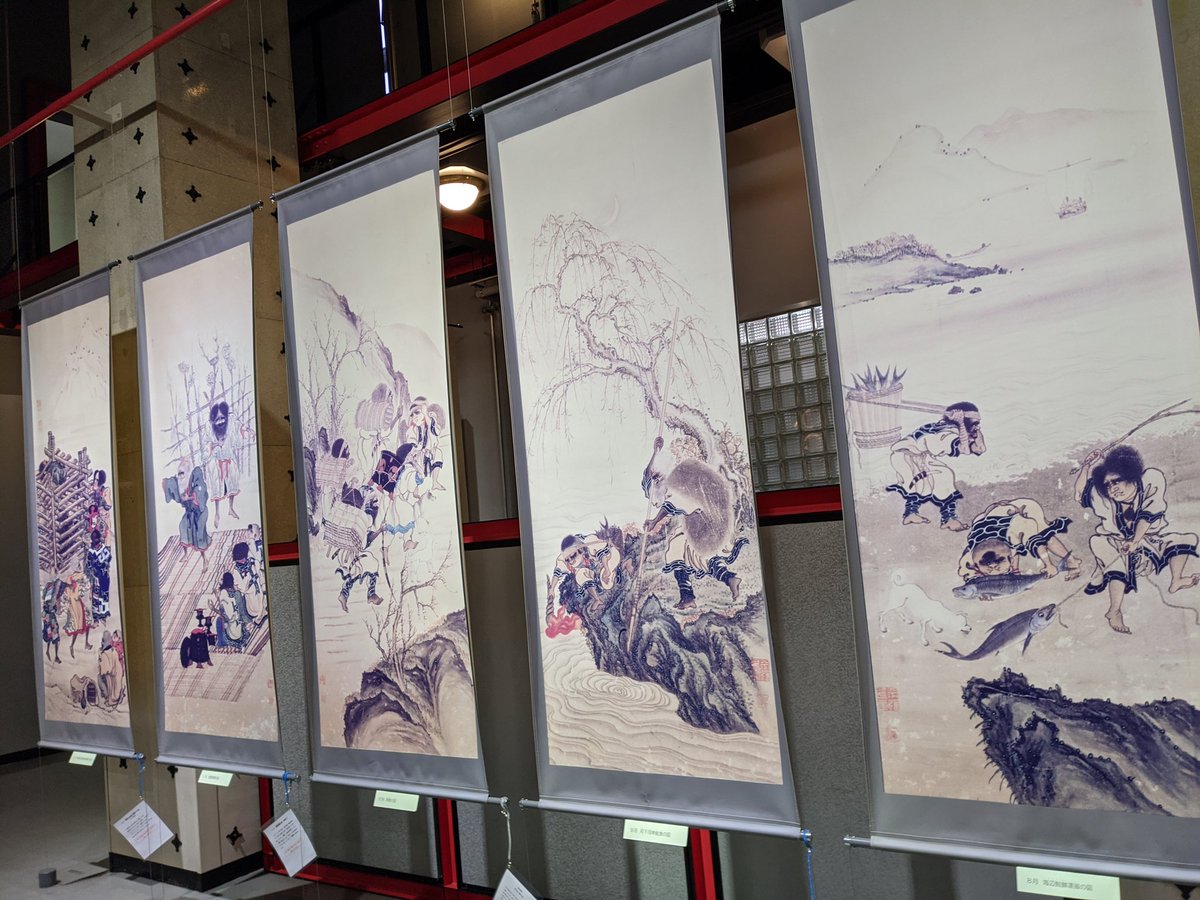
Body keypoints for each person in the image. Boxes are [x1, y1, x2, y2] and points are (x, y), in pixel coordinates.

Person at [1076, 444, 1199, 634]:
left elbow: (1147, 515)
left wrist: (1134, 541)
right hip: (1112, 541)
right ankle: (1114, 610)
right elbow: (1079, 493)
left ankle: (1176, 580)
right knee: (1102, 546)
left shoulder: (1151, 479)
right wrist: (1086, 466)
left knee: (1185, 539)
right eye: (1108, 485)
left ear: (1130, 475)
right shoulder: (1102, 497)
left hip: (1146, 540)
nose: (1112, 488)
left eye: (1116, 481)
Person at [885, 402, 986, 531]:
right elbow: (965, 449)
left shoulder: (953, 430)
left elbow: (980, 449)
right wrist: (961, 423)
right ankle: (910, 514)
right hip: (905, 456)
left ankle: (948, 519)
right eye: (975, 423)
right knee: (919, 484)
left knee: (944, 475)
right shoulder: (948, 432)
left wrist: (975, 429)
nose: (977, 427)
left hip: (921, 456)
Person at [956, 498, 1080, 582]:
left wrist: (1049, 565)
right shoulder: (969, 558)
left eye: (998, 566)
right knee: (1012, 548)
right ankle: (1013, 569)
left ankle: (1072, 560)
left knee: (1044, 535)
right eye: (987, 567)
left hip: (1023, 509)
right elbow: (968, 576)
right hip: (989, 519)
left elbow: (1038, 544)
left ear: (1010, 556)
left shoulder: (1018, 528)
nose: (993, 568)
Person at [163, 460, 210, 565]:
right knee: (183, 527)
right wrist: (165, 483)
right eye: (179, 473)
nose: (180, 476)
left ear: (187, 472)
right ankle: (185, 554)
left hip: (200, 512)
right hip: (189, 512)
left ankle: (204, 559)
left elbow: (201, 491)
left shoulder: (195, 476)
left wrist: (190, 498)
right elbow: (171, 484)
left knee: (199, 535)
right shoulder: (180, 483)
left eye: (182, 473)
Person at [206, 401, 241, 529]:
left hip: (229, 462)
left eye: (222, 418)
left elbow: (237, 444)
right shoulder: (210, 431)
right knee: (217, 489)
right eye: (217, 419)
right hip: (217, 465)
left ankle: (231, 508)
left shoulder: (230, 429)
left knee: (231, 486)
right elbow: (207, 449)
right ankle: (217, 513)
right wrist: (215, 445)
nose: (220, 421)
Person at [211, 572, 249, 651]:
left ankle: (221, 643)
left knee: (219, 620)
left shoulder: (224, 592)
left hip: (231, 631)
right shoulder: (237, 593)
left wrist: (213, 608)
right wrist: (217, 595)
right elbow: (230, 604)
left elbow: (224, 612)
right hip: (240, 629)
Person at [231, 539, 265, 624]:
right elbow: (242, 588)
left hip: (259, 591)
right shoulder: (236, 571)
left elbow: (259, 572)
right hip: (250, 597)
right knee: (255, 610)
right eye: (240, 559)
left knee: (263, 602)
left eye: (243, 557)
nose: (242, 560)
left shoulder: (252, 562)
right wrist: (248, 576)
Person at [84, 529, 113, 625]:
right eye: (94, 539)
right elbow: (88, 565)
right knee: (96, 597)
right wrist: (93, 569)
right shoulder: (90, 551)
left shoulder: (104, 549)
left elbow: (109, 559)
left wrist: (102, 564)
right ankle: (96, 617)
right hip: (96, 577)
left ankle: (103, 615)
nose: (96, 541)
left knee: (104, 595)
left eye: (97, 539)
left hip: (104, 576)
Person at [62, 572, 92, 659]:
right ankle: (72, 645)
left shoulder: (77, 578)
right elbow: (71, 596)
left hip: (78, 603)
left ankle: (86, 643)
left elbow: (83, 589)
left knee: (87, 621)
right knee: (76, 627)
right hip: (74, 606)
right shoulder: (69, 582)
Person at [97, 631, 125, 708]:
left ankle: (106, 696)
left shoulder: (105, 654)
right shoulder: (113, 650)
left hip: (113, 681)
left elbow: (104, 671)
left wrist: (100, 659)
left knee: (99, 677)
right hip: (116, 677)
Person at [41, 582, 61, 664]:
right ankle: (48, 651)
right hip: (48, 618)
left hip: (52, 618)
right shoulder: (47, 600)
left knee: (55, 636)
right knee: (49, 635)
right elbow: (46, 610)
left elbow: (54, 609)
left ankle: (56, 656)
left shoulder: (52, 598)